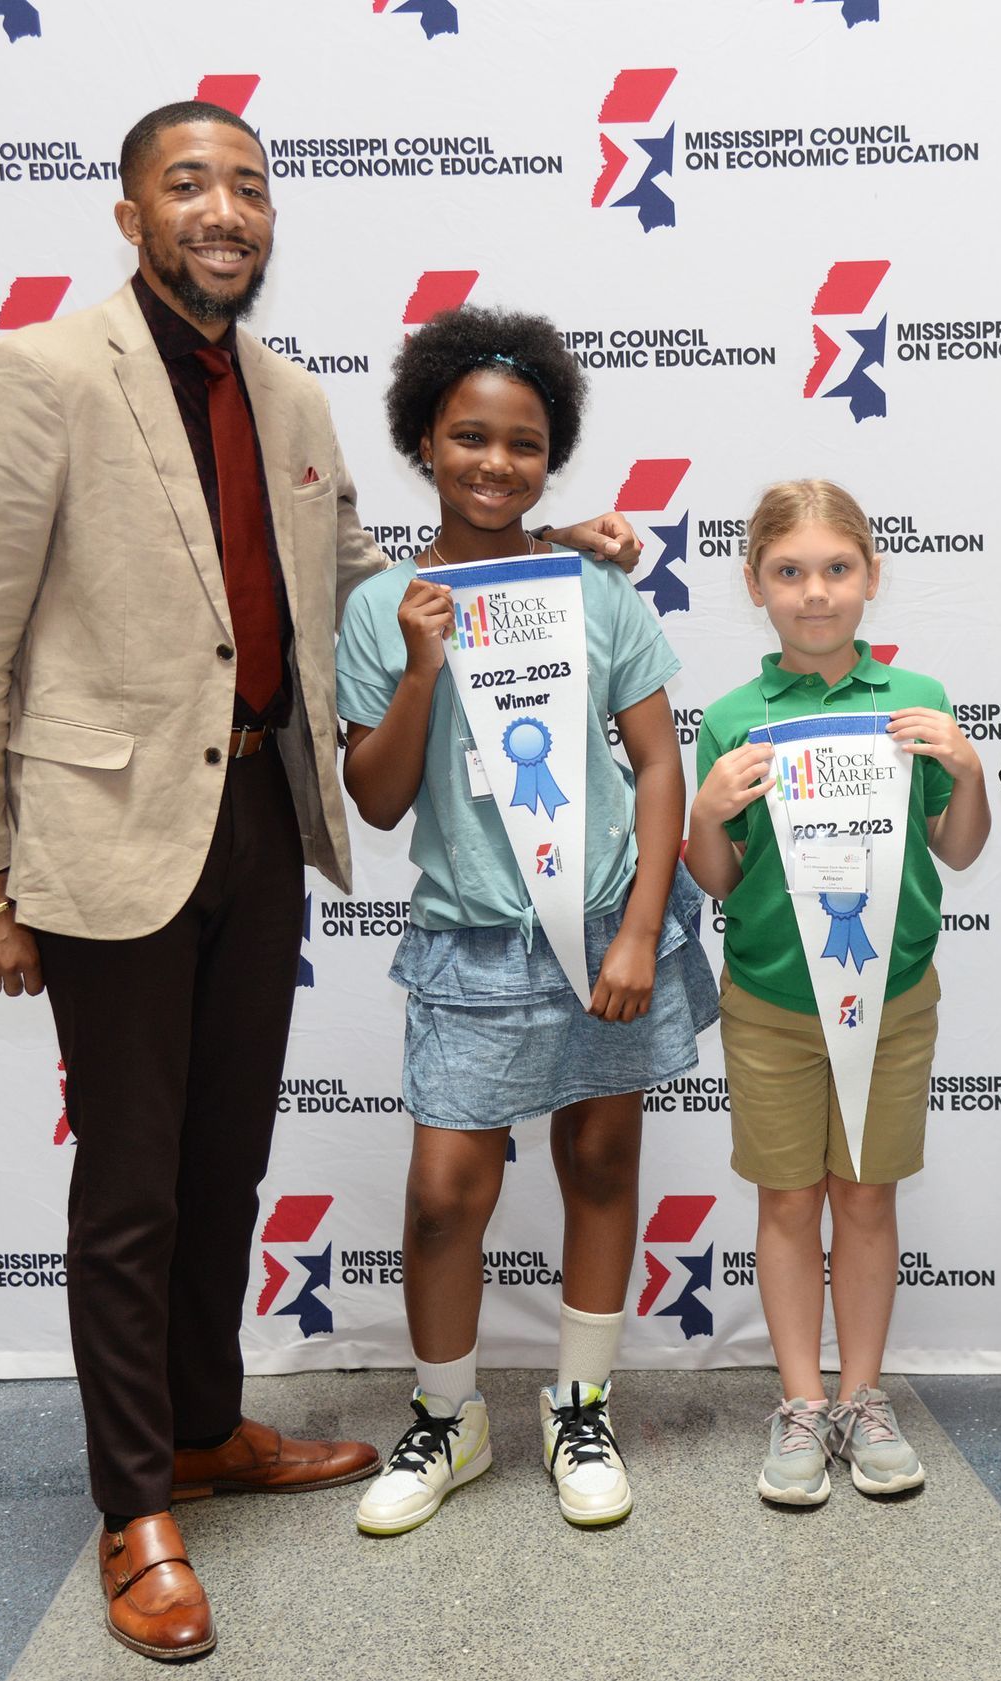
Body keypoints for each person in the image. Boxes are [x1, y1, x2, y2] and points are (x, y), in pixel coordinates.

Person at [0, 102, 640, 1661]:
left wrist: (535, 548)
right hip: (100, 844)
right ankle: (135, 1508)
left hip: (261, 823)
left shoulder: (291, 393)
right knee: (132, 1183)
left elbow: (360, 574)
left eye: (248, 186)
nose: (224, 210)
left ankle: (208, 1426)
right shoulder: (39, 375)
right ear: (129, 214)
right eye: (190, 185)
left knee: (228, 1157)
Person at [336, 305, 717, 1537]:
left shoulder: (597, 591)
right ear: (424, 442)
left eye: (524, 443)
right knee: (447, 1189)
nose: (496, 464)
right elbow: (380, 797)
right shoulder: (385, 607)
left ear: (551, 456)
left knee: (601, 1160)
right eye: (470, 439)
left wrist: (635, 927)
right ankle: (449, 1414)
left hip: (610, 918)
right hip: (470, 937)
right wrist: (416, 668)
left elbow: (660, 766)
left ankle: (580, 1402)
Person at [688, 480, 990, 1505]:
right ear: (755, 584)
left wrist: (970, 772)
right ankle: (803, 1402)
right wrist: (706, 811)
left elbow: (958, 851)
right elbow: (719, 879)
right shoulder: (732, 720)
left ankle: (864, 1395)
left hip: (894, 994)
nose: (814, 594)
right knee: (787, 1197)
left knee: (865, 1195)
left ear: (870, 577)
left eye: (836, 570)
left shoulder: (919, 704)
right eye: (790, 573)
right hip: (772, 997)